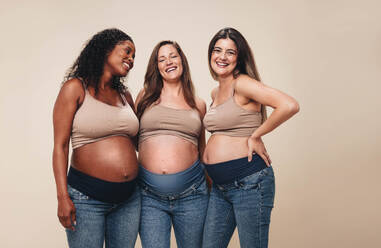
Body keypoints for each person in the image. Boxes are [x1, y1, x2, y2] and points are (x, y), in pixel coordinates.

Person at [202, 27, 300, 248]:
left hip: (249, 182)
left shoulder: (242, 83)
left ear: (239, 57)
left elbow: (289, 105)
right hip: (220, 187)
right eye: (217, 50)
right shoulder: (215, 93)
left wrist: (257, 135)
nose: (222, 57)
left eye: (230, 52)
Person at [52, 28, 140, 248]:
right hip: (86, 199)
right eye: (127, 51)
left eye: (133, 56)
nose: (131, 59)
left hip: (129, 200)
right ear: (105, 49)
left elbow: (139, 143)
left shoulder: (125, 96)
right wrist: (62, 197)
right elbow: (60, 147)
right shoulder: (75, 88)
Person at [135, 40, 208, 248]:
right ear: (156, 67)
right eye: (162, 58)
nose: (169, 61)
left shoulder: (198, 104)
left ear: (182, 60)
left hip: (193, 195)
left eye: (173, 56)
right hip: (149, 197)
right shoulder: (145, 97)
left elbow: (202, 149)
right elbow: (132, 140)